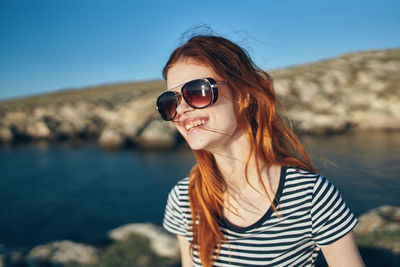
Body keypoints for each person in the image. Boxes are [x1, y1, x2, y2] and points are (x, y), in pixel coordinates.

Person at [156, 35, 364, 267]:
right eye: (170, 102)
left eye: (197, 91)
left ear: (243, 96)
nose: (181, 110)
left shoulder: (310, 195)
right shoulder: (184, 197)